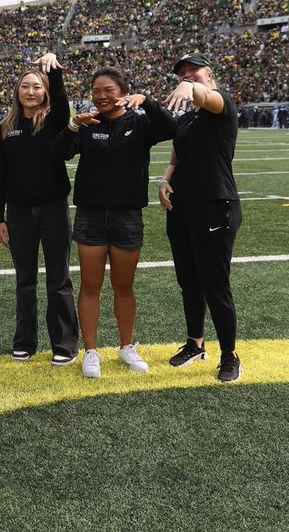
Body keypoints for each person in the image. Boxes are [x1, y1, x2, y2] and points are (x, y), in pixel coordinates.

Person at [56, 67, 177, 378]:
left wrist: (147, 101)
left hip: (127, 216)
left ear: (123, 92)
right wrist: (73, 126)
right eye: (96, 91)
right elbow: (59, 154)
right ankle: (91, 351)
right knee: (91, 286)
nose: (101, 96)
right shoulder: (87, 122)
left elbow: (172, 129)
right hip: (91, 216)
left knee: (124, 287)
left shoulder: (140, 122)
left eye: (108, 90)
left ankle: (126, 347)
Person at [159, 53, 243, 383]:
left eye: (193, 71)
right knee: (189, 282)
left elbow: (207, 97)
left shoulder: (221, 102)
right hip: (181, 207)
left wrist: (188, 86)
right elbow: (177, 155)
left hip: (214, 204)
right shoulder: (187, 119)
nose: (187, 75)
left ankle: (230, 354)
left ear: (210, 75)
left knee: (215, 285)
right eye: (181, 73)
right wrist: (166, 179)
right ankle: (196, 342)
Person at [0, 55, 78, 365]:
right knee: (25, 279)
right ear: (17, 91)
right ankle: (25, 342)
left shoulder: (54, 120)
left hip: (54, 209)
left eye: (37, 87)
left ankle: (65, 344)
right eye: (25, 86)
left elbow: (63, 104)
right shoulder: (5, 127)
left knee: (59, 279)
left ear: (45, 92)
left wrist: (54, 71)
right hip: (18, 212)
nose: (30, 92)